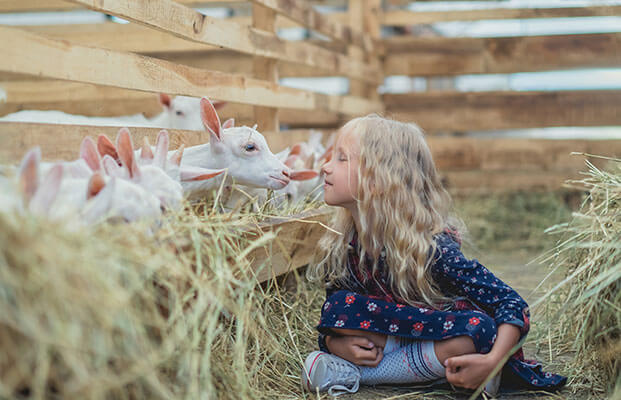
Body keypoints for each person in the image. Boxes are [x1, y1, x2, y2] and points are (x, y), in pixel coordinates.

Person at [301, 115, 566, 396]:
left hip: (441, 336)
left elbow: (512, 303)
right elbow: (336, 316)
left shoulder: (432, 249)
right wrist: (334, 342)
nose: (326, 167)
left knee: (478, 329)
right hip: (390, 339)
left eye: (342, 158)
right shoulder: (345, 245)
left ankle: (360, 375)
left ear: (377, 179)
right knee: (338, 306)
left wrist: (492, 360)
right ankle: (410, 371)